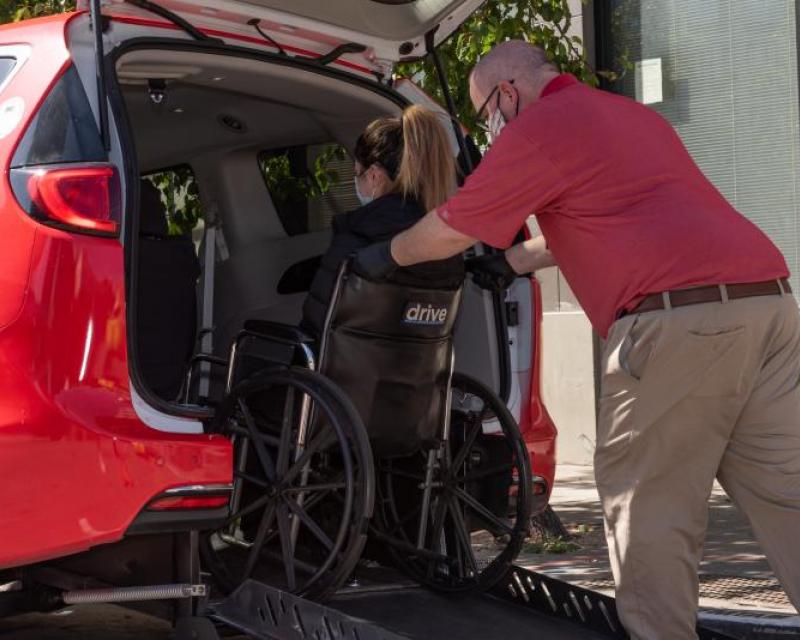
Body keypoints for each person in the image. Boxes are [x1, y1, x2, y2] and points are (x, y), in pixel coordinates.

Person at [355, 40, 800, 640]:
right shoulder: (627, 115)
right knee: (789, 497)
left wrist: (385, 256)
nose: (491, 128)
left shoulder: (537, 129)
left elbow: (454, 225)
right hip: (768, 305)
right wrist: (512, 262)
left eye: (488, 113)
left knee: (647, 510)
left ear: (507, 93)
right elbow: (610, 216)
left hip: (676, 326)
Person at [300, 105, 463, 338]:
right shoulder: (447, 250)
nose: (357, 182)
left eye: (357, 173)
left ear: (374, 175)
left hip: (342, 374)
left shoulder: (354, 240)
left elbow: (315, 328)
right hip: (420, 374)